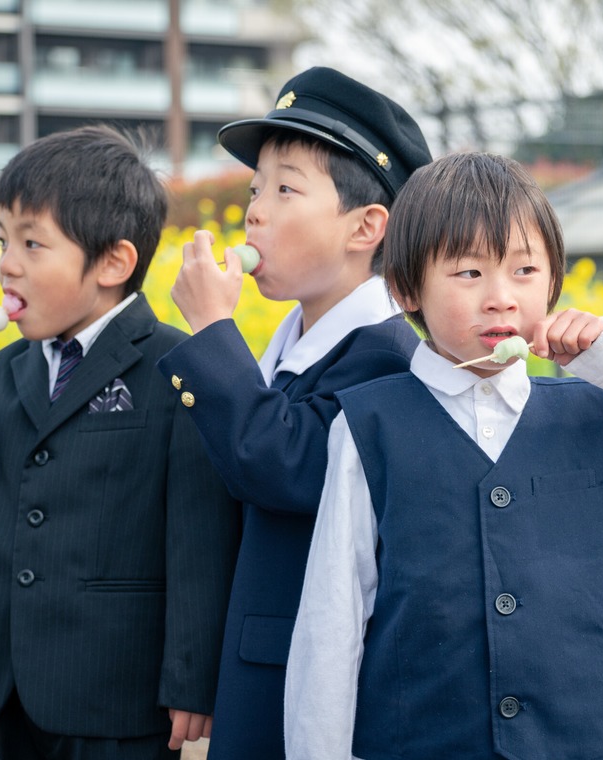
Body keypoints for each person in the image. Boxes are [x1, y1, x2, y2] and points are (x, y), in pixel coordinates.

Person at [283, 151, 603, 760]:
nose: (501, 298)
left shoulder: (602, 416)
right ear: (406, 288)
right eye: (467, 273)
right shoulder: (366, 426)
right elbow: (333, 619)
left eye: (525, 271)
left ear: (554, 285)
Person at [0, 125, 241, 759]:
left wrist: (192, 678)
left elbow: (199, 537)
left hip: (118, 692)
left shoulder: (175, 365)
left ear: (112, 262)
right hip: (4, 685)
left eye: (32, 243)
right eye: (3, 240)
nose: (7, 262)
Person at [154, 66, 432, 758]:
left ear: (367, 226)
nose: (255, 211)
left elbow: (287, 466)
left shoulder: (387, 358)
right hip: (260, 674)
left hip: (319, 689)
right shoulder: (284, 350)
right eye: (255, 190)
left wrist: (215, 333)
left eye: (285, 189)